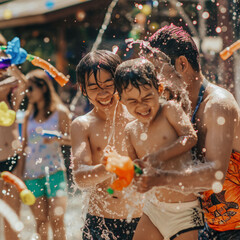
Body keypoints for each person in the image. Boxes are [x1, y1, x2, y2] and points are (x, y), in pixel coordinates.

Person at [133, 24, 240, 239]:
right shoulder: (176, 105)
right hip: (205, 226)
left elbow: (215, 176)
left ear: (181, 64)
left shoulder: (218, 105)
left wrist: (159, 178)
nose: (154, 80)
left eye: (157, 70)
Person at [114, 58, 204, 240]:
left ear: (160, 90)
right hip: (153, 209)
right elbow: (135, 168)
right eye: (132, 101)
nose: (142, 105)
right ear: (120, 100)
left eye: (147, 97)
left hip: (184, 211)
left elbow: (190, 137)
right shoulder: (130, 130)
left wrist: (157, 157)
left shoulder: (170, 110)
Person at [71, 50, 142, 240]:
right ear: (83, 89)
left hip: (144, 220)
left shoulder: (139, 117)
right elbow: (79, 177)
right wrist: (107, 168)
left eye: (108, 84)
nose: (102, 92)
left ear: (120, 81)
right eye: (93, 87)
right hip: (101, 221)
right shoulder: (83, 125)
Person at [21, 69, 71, 240]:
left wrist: (58, 138)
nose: (27, 93)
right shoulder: (29, 115)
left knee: (57, 219)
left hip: (55, 171)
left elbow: (73, 140)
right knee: (41, 221)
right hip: (31, 174)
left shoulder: (60, 112)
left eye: (30, 89)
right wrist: (19, 176)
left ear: (43, 88)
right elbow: (23, 147)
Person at [0, 34, 27, 240]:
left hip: (11, 159)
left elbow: (23, 83)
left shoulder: (11, 100)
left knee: (13, 214)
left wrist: (10, 62)